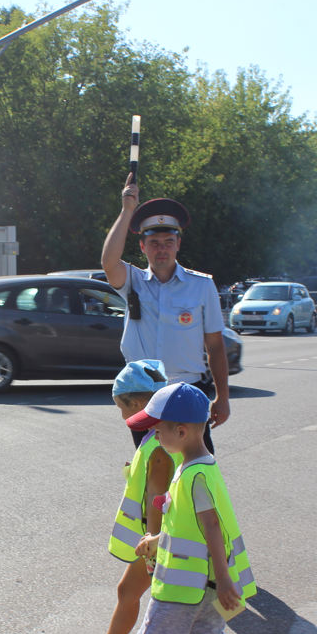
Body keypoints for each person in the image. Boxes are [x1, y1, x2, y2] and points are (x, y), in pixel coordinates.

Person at [108, 382, 293, 634]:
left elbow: (211, 528)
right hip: (198, 583)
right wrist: (157, 538)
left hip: (184, 584)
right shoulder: (196, 467)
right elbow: (188, 525)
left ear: (181, 431)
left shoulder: (194, 475)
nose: (154, 438)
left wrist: (225, 580)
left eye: (158, 431)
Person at [63, 360, 230, 634]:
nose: (121, 415)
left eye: (120, 407)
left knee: (180, 614)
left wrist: (154, 549)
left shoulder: (157, 447)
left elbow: (160, 498)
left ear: (137, 404)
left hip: (162, 545)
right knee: (132, 593)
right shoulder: (161, 438)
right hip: (164, 542)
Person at [100, 174, 231, 452]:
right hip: (143, 393)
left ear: (178, 244)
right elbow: (108, 262)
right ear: (143, 246)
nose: (162, 249)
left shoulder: (201, 285)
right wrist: (126, 212)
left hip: (187, 391)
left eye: (168, 242)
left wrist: (223, 397)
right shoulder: (133, 280)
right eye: (155, 243)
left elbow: (216, 346)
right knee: (150, 471)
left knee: (194, 466)